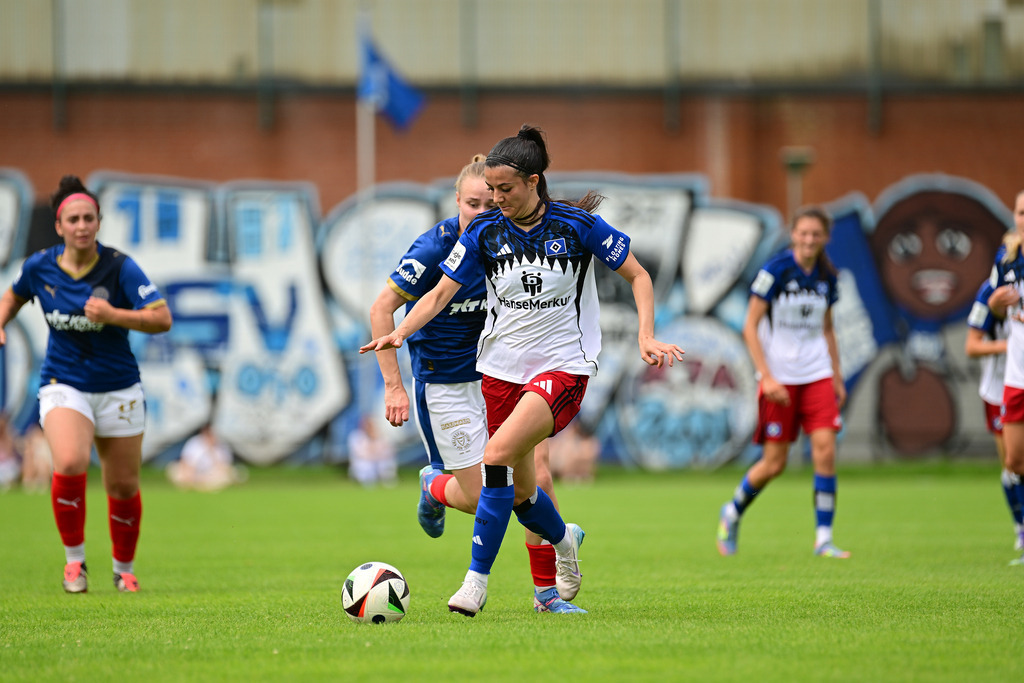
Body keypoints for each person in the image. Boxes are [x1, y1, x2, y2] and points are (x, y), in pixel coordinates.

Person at [362, 124, 684, 617]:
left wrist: (645, 335)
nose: (494, 200)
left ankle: (477, 582)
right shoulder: (483, 233)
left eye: (503, 190)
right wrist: (400, 333)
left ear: (535, 181)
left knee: (496, 456)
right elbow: (440, 294)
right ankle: (563, 545)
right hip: (498, 371)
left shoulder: (577, 226)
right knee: (522, 492)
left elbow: (638, 275)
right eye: (488, 191)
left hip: (563, 368)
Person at [368, 154, 585, 614]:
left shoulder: (509, 236)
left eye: (492, 201)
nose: (484, 212)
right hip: (447, 385)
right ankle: (435, 488)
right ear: (457, 201)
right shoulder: (435, 248)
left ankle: (546, 595)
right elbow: (381, 308)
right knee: (488, 496)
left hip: (504, 375)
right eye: (472, 204)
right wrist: (393, 385)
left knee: (537, 480)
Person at [0, 175, 173, 593]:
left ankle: (124, 568)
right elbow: (13, 295)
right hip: (64, 381)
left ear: (99, 223)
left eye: (89, 218)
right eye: (73, 219)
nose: (82, 225)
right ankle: (74, 563)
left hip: (119, 387)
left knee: (123, 485)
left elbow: (162, 317)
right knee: (72, 462)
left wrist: (116, 315)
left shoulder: (120, 267)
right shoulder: (40, 265)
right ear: (59, 226)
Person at [716, 206, 849, 559]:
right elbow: (750, 326)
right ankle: (732, 512)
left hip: (817, 375)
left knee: (825, 451)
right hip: (780, 381)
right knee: (774, 464)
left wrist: (836, 374)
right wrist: (767, 376)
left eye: (815, 234)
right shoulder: (775, 270)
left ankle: (824, 538)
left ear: (824, 238)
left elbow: (828, 328)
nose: (808, 239)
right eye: (803, 233)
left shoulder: (827, 276)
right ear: (794, 235)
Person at [965, 278, 1024, 552]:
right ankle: (1020, 528)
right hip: (1000, 389)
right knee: (1012, 465)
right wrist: (1010, 347)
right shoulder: (990, 292)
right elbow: (972, 346)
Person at [984, 189, 1024, 564]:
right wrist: (996, 306)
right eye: (1021, 212)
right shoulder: (1008, 262)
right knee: (1013, 461)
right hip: (1016, 376)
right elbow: (993, 314)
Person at [167, 421, 245, 492]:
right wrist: (191, 477)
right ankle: (198, 486)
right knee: (174, 470)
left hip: (210, 474)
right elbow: (187, 463)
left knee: (230, 475)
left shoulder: (221, 446)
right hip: (194, 474)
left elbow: (224, 467)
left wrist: (211, 451)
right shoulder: (194, 443)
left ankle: (200, 487)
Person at [346, 414, 398, 487]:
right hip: (364, 463)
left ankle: (388, 483)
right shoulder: (356, 436)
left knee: (385, 464)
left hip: (378, 461)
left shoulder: (381, 435)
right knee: (365, 466)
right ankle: (367, 483)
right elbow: (360, 454)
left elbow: (388, 451)